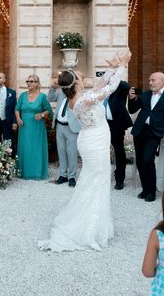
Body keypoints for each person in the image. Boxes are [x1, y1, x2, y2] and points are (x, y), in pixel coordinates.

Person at [39, 49, 131, 252]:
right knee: (96, 180)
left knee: (95, 179)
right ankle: (89, 227)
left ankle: (97, 222)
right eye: (80, 76)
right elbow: (110, 88)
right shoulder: (83, 101)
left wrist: (112, 67)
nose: (83, 78)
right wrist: (123, 65)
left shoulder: (82, 97)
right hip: (94, 141)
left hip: (92, 138)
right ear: (77, 82)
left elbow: (100, 84)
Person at [128, 72, 164, 202]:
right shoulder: (145, 95)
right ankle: (145, 189)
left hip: (154, 133)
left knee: (148, 160)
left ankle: (152, 191)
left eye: (153, 80)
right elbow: (132, 110)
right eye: (149, 80)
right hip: (140, 131)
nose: (150, 83)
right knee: (140, 162)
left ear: (161, 81)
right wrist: (131, 98)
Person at [15, 74, 52, 180]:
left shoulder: (42, 96)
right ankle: (23, 172)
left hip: (37, 126)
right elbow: (17, 108)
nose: (28, 83)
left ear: (37, 84)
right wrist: (18, 118)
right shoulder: (22, 96)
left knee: (36, 147)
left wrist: (42, 115)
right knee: (25, 147)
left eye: (31, 81)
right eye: (28, 81)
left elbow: (48, 110)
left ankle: (37, 172)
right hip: (24, 126)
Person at [48, 74, 82, 187]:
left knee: (72, 153)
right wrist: (53, 87)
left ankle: (72, 176)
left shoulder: (78, 93)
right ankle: (63, 175)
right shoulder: (61, 92)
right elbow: (50, 98)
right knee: (61, 151)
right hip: (60, 126)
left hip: (72, 127)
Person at [104, 80, 133, 190]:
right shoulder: (104, 91)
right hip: (103, 125)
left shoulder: (120, 89)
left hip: (116, 125)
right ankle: (102, 176)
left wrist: (116, 74)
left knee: (119, 152)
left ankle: (120, 179)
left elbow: (127, 86)